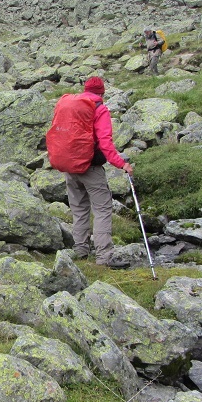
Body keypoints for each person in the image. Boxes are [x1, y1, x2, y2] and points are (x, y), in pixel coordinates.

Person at [59, 77, 133, 268]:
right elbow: (105, 143)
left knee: (79, 208)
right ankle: (104, 256)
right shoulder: (99, 109)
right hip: (91, 167)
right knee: (101, 210)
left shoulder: (71, 105)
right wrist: (121, 164)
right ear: (102, 92)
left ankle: (81, 250)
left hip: (69, 164)